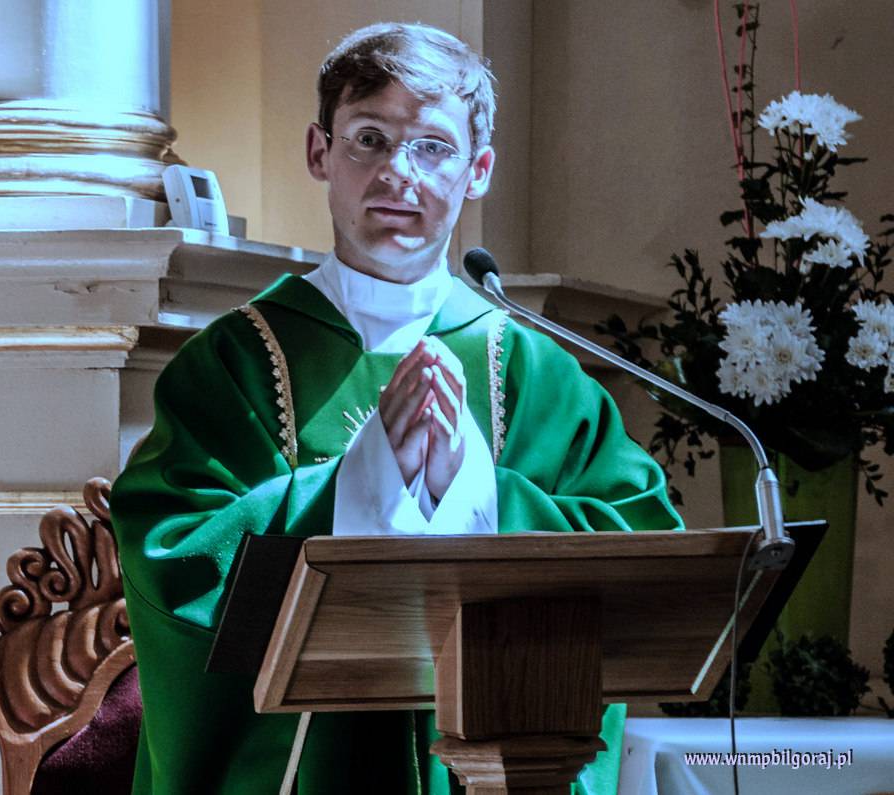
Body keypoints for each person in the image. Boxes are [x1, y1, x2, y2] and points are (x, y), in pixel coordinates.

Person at [110, 22, 682, 795]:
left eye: (433, 147)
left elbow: (641, 547)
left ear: (478, 170)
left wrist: (475, 490)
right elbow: (170, 552)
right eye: (369, 140)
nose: (397, 174)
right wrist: (360, 479)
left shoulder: (537, 373)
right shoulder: (235, 363)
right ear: (320, 152)